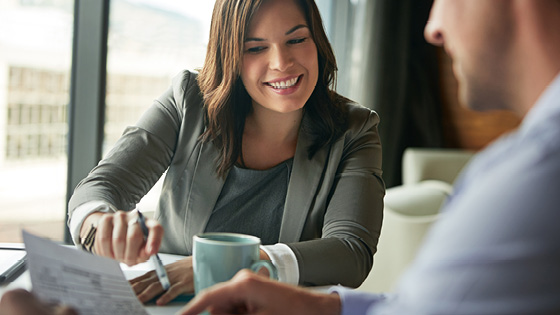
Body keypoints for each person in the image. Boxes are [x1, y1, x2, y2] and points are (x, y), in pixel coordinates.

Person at [67, 0, 384, 306]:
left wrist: (221, 266)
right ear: (229, 53)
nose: (281, 63)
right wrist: (101, 225)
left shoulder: (354, 129)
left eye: (297, 39)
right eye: (255, 47)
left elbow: (350, 254)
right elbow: (97, 190)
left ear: (317, 42)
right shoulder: (188, 100)